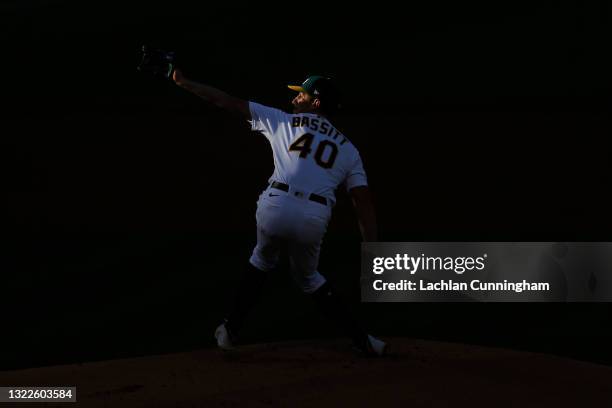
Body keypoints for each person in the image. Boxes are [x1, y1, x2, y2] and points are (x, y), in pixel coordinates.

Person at [172, 69, 386, 356]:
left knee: (261, 259)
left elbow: (226, 101)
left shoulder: (282, 120)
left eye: (303, 93)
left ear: (317, 103)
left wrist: (184, 82)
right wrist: (371, 248)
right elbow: (363, 202)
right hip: (313, 216)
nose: (296, 96)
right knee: (309, 278)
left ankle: (229, 329)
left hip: (275, 205)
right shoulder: (349, 149)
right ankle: (364, 341)